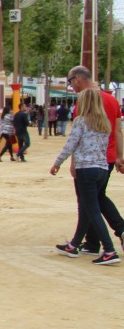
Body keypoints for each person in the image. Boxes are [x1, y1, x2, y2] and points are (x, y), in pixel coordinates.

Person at [51, 88, 120, 265]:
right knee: (88, 207)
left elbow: (71, 144)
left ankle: (109, 250)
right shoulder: (104, 122)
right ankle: (74, 245)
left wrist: (58, 162)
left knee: (92, 210)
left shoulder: (81, 121)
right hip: (102, 168)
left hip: (86, 169)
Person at [65, 65, 124, 254]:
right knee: (97, 196)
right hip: (107, 157)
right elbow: (118, 130)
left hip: (88, 160)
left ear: (78, 79)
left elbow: (77, 137)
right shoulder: (112, 100)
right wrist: (120, 156)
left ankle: (95, 242)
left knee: (86, 200)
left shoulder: (83, 103)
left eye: (70, 81)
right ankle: (101, 237)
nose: (71, 86)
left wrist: (73, 163)